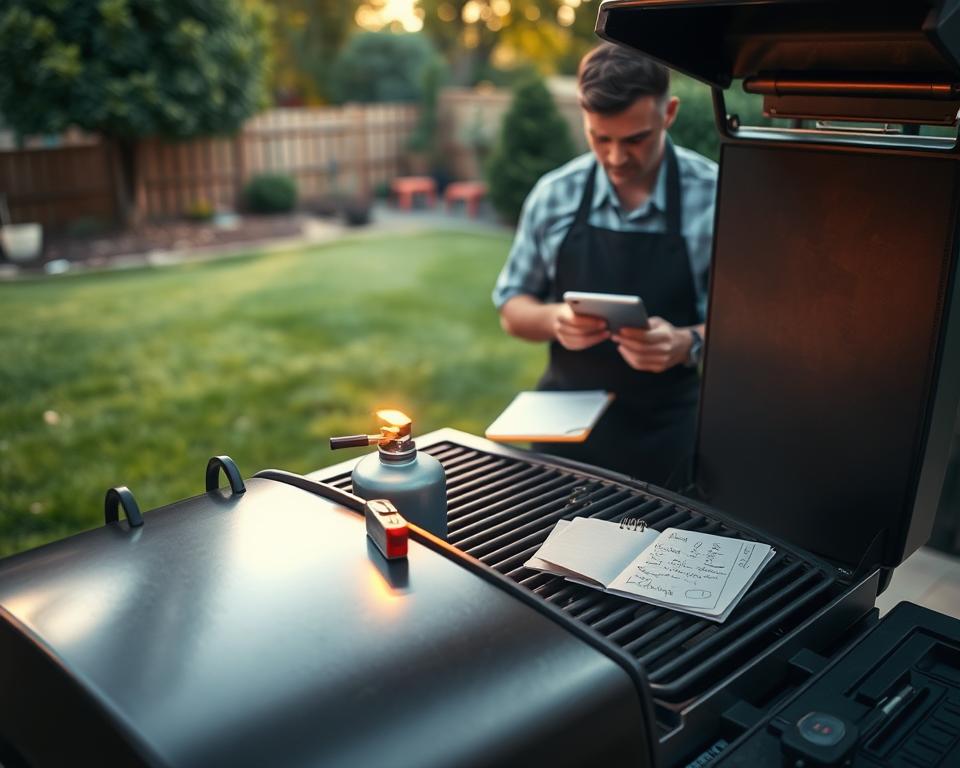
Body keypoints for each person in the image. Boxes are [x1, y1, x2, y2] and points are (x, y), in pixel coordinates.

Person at [492, 43, 718, 487]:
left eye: (635, 139)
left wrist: (686, 342)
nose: (616, 158)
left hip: (669, 434)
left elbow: (756, 331)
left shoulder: (716, 197)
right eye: (601, 138)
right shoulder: (553, 195)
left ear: (668, 113)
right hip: (560, 433)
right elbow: (512, 309)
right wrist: (556, 319)